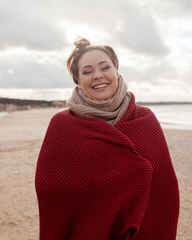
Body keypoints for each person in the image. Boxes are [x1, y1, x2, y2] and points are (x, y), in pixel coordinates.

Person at [35, 37, 179, 240]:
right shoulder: (62, 125)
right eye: (87, 71)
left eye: (105, 68)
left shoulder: (145, 119)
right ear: (78, 80)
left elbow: (165, 190)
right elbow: (51, 190)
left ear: (116, 71)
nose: (98, 76)